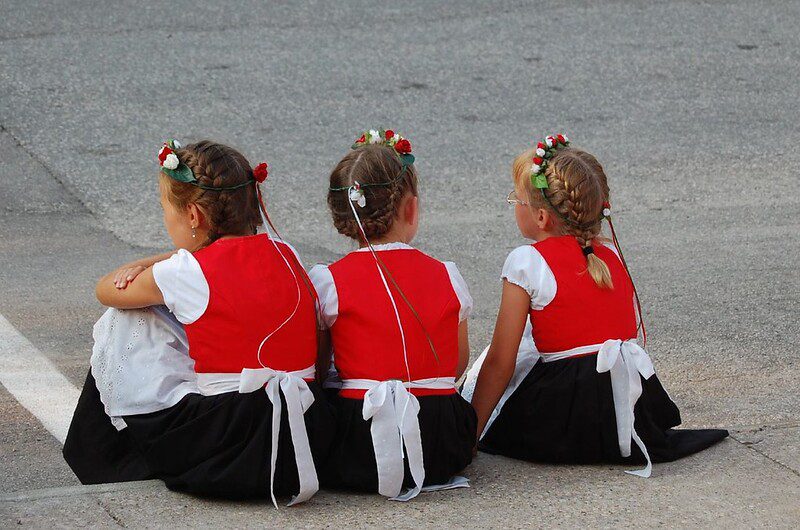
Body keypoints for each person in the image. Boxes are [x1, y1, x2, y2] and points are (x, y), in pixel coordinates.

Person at [63, 140, 335, 505]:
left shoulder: (187, 270)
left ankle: (105, 455)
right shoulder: (287, 252)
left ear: (193, 216)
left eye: (166, 211)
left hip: (232, 450)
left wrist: (166, 258)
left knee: (127, 317)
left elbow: (107, 290)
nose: (166, 221)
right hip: (301, 434)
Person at [463, 134, 728, 476]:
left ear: (541, 217)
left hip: (565, 415)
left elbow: (501, 360)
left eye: (517, 199)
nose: (515, 204)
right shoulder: (610, 254)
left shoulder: (526, 261)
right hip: (625, 409)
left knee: (501, 359)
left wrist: (469, 435)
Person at [310, 129, 476, 500]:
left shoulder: (328, 281)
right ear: (411, 208)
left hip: (359, 442)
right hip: (440, 439)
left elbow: (319, 370)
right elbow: (457, 363)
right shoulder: (447, 273)